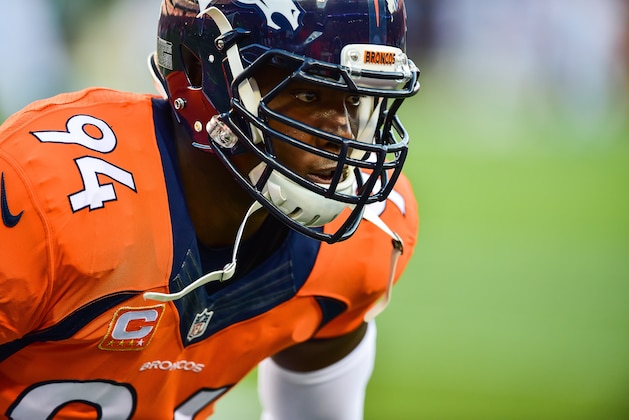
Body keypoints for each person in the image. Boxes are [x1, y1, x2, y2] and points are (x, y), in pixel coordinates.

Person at [0, 0, 420, 418]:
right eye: (308, 94)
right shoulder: (41, 198)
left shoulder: (364, 236)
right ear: (201, 73)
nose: (342, 135)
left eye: (357, 100)